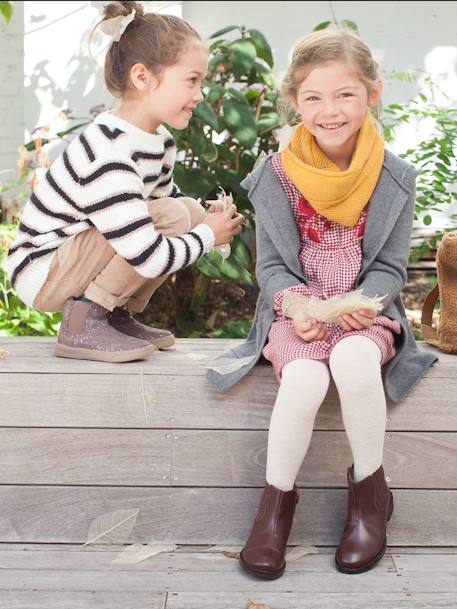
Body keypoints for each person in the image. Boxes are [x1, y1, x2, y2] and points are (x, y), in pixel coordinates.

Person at [207, 28, 438, 578]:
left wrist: (368, 303)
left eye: (345, 95)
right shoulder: (278, 175)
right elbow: (272, 268)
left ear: (373, 94)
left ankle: (369, 496)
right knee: (306, 380)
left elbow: (390, 267)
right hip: (298, 312)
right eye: (312, 97)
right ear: (294, 101)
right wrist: (297, 307)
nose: (329, 111)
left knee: (354, 361)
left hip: (364, 314)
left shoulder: (395, 177)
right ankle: (274, 510)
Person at [7, 0, 243, 363]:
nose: (199, 95)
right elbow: (149, 255)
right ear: (142, 77)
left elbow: (164, 197)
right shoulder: (109, 151)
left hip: (77, 259)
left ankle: (113, 315)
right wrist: (208, 236)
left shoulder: (157, 140)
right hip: (44, 270)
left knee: (189, 211)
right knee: (175, 218)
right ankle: (85, 321)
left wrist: (208, 217)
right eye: (191, 81)